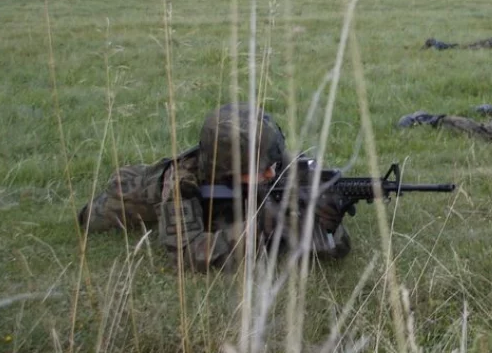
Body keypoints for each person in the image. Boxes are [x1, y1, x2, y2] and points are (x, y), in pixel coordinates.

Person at [77, 103, 351, 272]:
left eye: (272, 164)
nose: (271, 172)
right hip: (131, 192)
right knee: (91, 219)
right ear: (225, 167)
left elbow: (324, 247)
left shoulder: (273, 161)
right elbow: (186, 256)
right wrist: (259, 229)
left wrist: (326, 223)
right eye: (258, 170)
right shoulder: (182, 182)